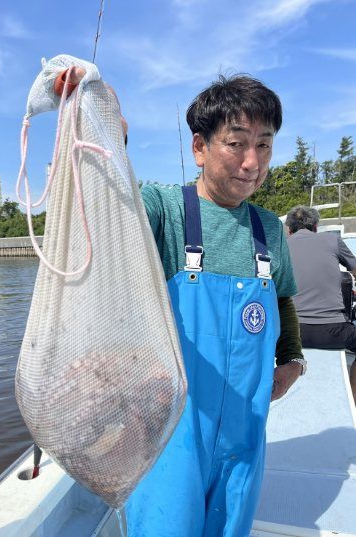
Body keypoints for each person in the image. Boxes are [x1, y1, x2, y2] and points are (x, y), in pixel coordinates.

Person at [53, 63, 305, 536]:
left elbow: (283, 299)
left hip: (246, 434)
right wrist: (105, 130)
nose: (252, 162)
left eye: (264, 145)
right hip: (170, 434)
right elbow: (108, 210)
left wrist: (292, 359)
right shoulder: (165, 209)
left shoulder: (269, 229)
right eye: (236, 143)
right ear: (199, 148)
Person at [286, 205, 356, 404]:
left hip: (290, 334)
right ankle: (353, 401)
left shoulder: (281, 245)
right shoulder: (332, 240)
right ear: (316, 227)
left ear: (289, 229)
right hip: (334, 332)